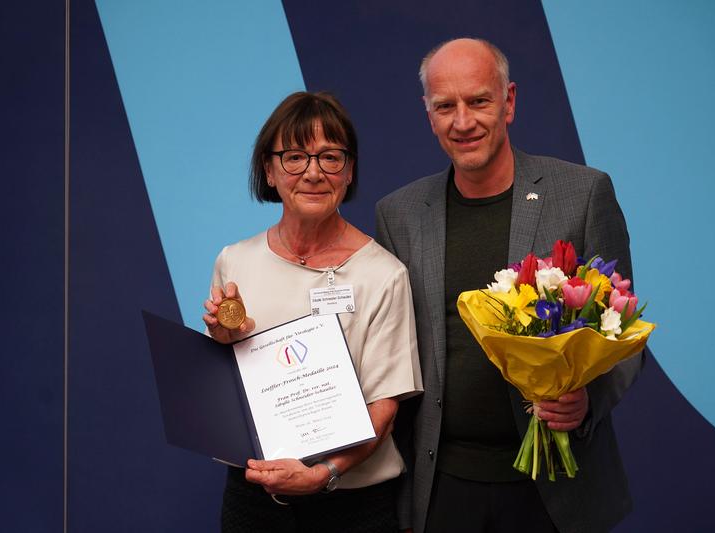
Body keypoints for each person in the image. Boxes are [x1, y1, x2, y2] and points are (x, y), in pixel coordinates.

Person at [375, 38, 644, 533]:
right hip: (441, 489)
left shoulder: (583, 194)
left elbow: (624, 337)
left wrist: (587, 403)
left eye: (478, 100)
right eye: (445, 107)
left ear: (510, 101)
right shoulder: (400, 215)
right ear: (428, 114)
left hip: (555, 488)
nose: (463, 121)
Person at [203, 91, 423, 532]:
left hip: (352, 503)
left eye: (330, 157)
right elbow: (221, 391)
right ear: (268, 169)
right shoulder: (234, 261)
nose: (313, 173)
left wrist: (325, 473)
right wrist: (222, 341)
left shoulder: (384, 274)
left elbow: (384, 407)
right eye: (295, 157)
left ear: (350, 170)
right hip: (254, 500)